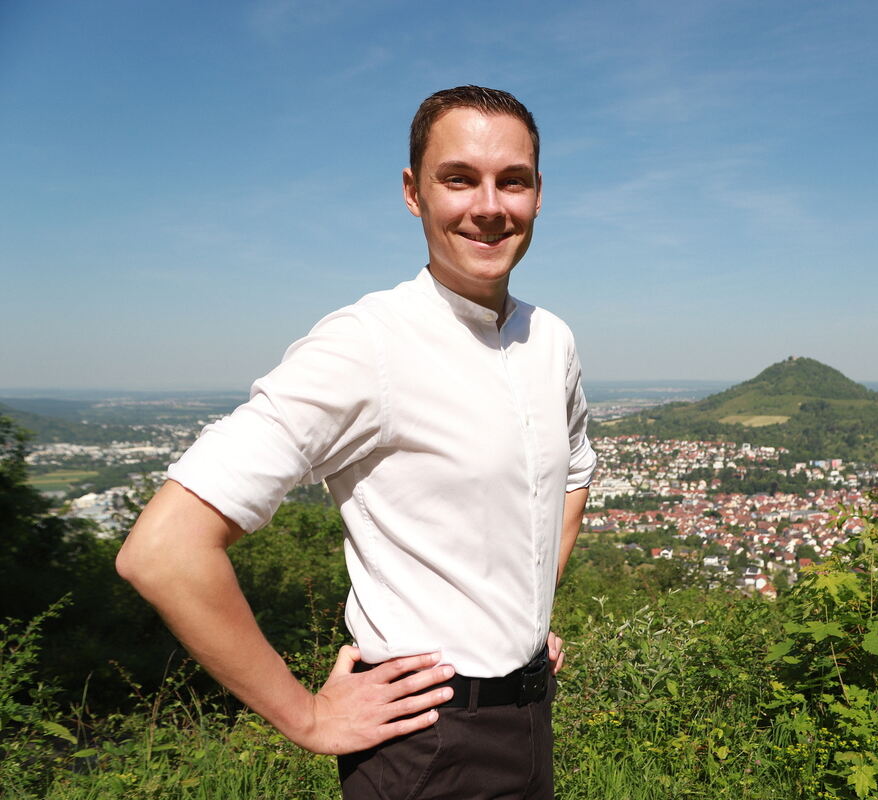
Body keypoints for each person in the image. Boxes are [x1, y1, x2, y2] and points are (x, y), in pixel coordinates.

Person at [116, 85, 596, 800]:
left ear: (538, 194)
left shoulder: (549, 340)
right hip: (425, 742)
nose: (489, 206)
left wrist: (527, 614)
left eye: (513, 181)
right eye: (458, 178)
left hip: (529, 720)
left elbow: (575, 472)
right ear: (413, 193)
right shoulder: (367, 344)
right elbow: (162, 550)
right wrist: (306, 716)